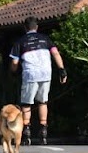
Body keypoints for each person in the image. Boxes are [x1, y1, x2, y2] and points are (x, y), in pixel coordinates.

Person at [9, 16, 68, 145]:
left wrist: (14, 71)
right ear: (37, 27)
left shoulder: (20, 41)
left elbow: (14, 62)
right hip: (46, 73)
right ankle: (43, 131)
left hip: (30, 74)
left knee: (26, 104)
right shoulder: (45, 39)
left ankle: (27, 132)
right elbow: (56, 53)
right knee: (43, 102)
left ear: (25, 28)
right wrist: (62, 69)